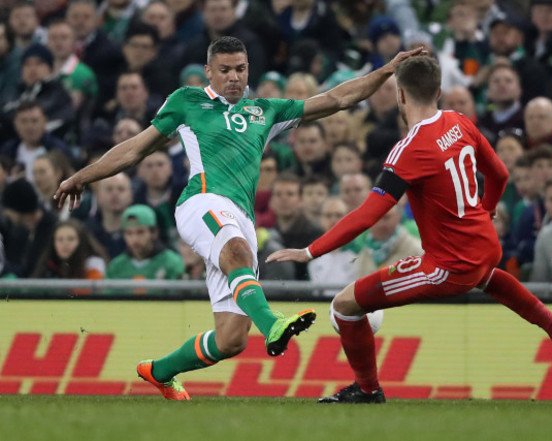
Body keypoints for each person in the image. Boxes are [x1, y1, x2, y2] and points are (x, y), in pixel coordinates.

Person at [55, 36, 424, 400]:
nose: (234, 77)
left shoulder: (265, 110)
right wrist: (80, 177)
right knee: (236, 250)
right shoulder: (188, 101)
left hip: (242, 218)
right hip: (201, 201)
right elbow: (135, 149)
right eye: (225, 70)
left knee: (230, 340)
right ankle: (273, 324)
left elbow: (338, 98)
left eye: (241, 69)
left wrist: (387, 70)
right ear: (208, 72)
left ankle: (160, 371)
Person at [267, 55, 552, 403]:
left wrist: (309, 251)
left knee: (344, 306)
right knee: (486, 276)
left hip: (448, 266)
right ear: (438, 91)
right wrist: (487, 209)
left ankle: (367, 390)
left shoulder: (408, 150)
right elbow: (499, 174)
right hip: (486, 244)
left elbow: (367, 215)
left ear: (401, 96)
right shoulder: (460, 122)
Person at [106, 204, 184, 280]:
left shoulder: (172, 263)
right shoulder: (116, 267)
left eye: (140, 232)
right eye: (129, 233)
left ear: (154, 233)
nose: (134, 239)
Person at [31, 218, 107, 279]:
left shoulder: (93, 264)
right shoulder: (47, 266)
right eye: (60, 239)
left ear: (81, 241)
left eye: (71, 239)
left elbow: (93, 292)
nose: (65, 244)